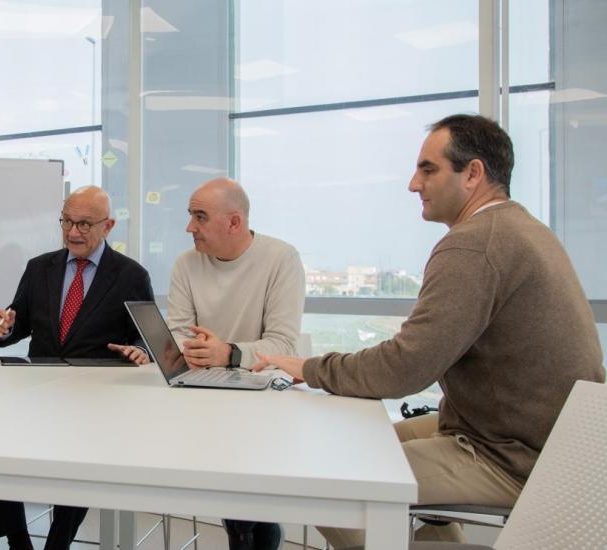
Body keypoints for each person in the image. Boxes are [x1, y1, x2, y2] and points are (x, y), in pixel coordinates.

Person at [253, 114, 604, 547]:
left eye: (428, 169)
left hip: (507, 457)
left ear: (473, 173)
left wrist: (310, 368)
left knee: (321, 479)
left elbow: (404, 369)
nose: (413, 184)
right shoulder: (523, 228)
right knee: (353, 439)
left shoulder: (475, 243)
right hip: (532, 441)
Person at [0, 185, 155, 550]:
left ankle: (58, 542)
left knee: (79, 465)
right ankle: (18, 541)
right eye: (66, 221)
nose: (72, 232)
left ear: (108, 226)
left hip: (95, 400)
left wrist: (140, 351)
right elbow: (19, 322)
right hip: (37, 390)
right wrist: (2, 327)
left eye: (84, 224)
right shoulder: (38, 268)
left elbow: (147, 339)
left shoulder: (131, 275)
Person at [166, 177, 305, 550]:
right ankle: (246, 531)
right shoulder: (186, 263)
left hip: (262, 400)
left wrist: (227, 352)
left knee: (245, 480)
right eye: (190, 216)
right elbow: (177, 333)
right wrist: (196, 351)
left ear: (234, 222)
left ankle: (248, 532)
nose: (189, 227)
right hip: (202, 392)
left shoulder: (281, 258)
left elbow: (283, 344)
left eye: (199, 217)